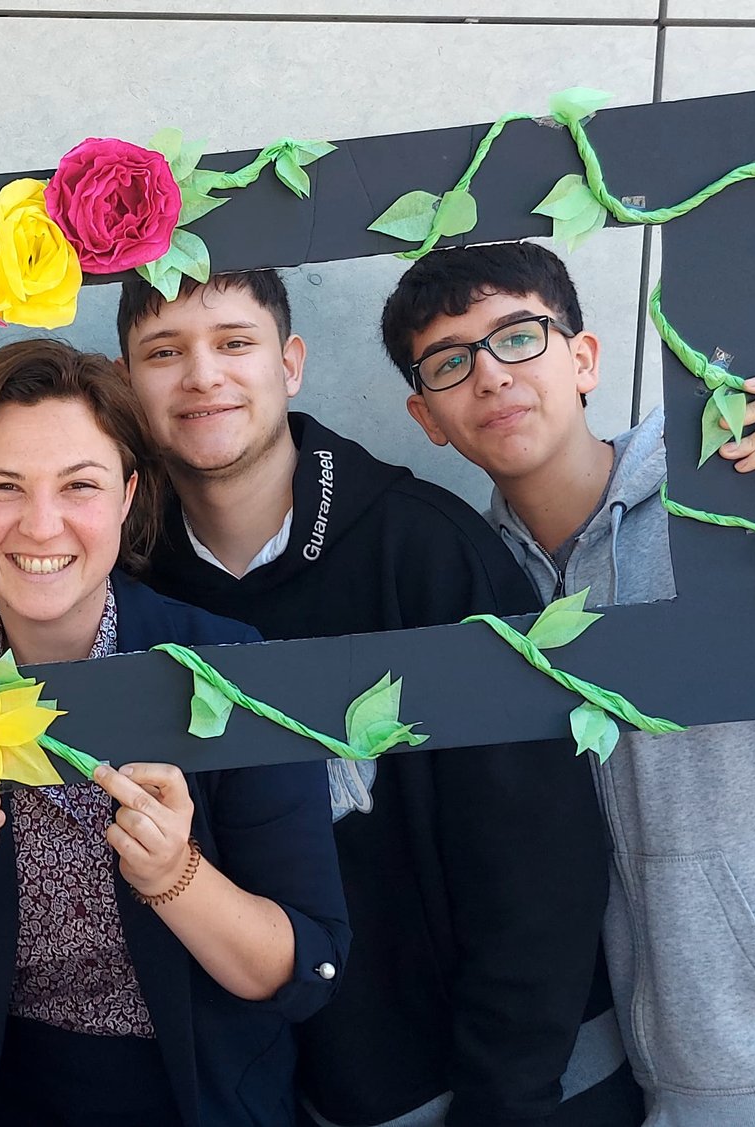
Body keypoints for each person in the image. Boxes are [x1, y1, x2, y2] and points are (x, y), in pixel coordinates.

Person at [381, 241, 755, 1127]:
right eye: (450, 361)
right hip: (678, 1091)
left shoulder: (735, 497)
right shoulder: (479, 587)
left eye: (518, 337)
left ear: (583, 357)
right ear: (426, 414)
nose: (490, 375)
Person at [116, 270, 639, 1127]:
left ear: (290, 364)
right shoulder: (135, 587)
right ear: (128, 382)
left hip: (521, 1084)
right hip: (308, 1092)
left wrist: (507, 1100)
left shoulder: (426, 548)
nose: (202, 376)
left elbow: (536, 854)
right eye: (164, 353)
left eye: (234, 343)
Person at [0, 338, 350, 1127]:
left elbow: (302, 971)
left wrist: (177, 876)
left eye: (79, 485)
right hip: (4, 1101)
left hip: (202, 1100)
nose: (41, 524)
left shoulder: (229, 669)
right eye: (3, 487)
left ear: (127, 496)